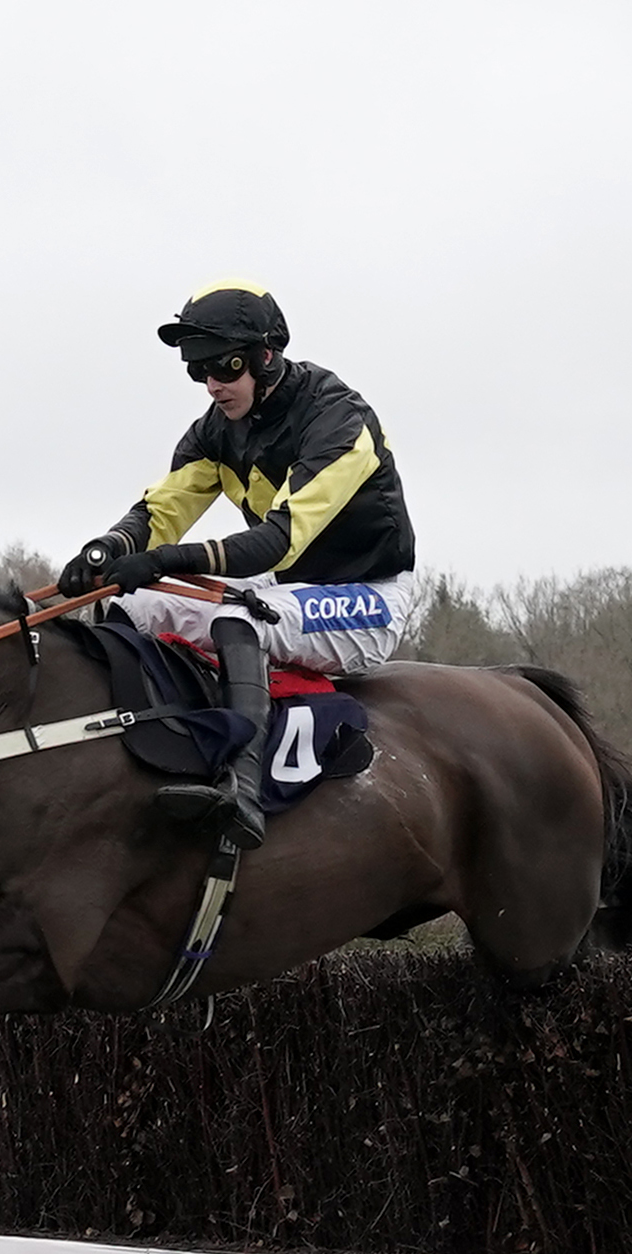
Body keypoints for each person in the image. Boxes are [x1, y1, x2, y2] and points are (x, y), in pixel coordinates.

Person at [58, 281, 417, 845]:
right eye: (197, 370)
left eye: (223, 367)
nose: (212, 385)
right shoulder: (216, 430)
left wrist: (163, 559)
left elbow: (277, 541)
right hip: (285, 585)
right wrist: (107, 549)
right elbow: (162, 511)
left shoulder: (340, 420)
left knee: (239, 618)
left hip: (369, 594)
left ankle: (240, 789)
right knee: (133, 602)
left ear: (265, 356)